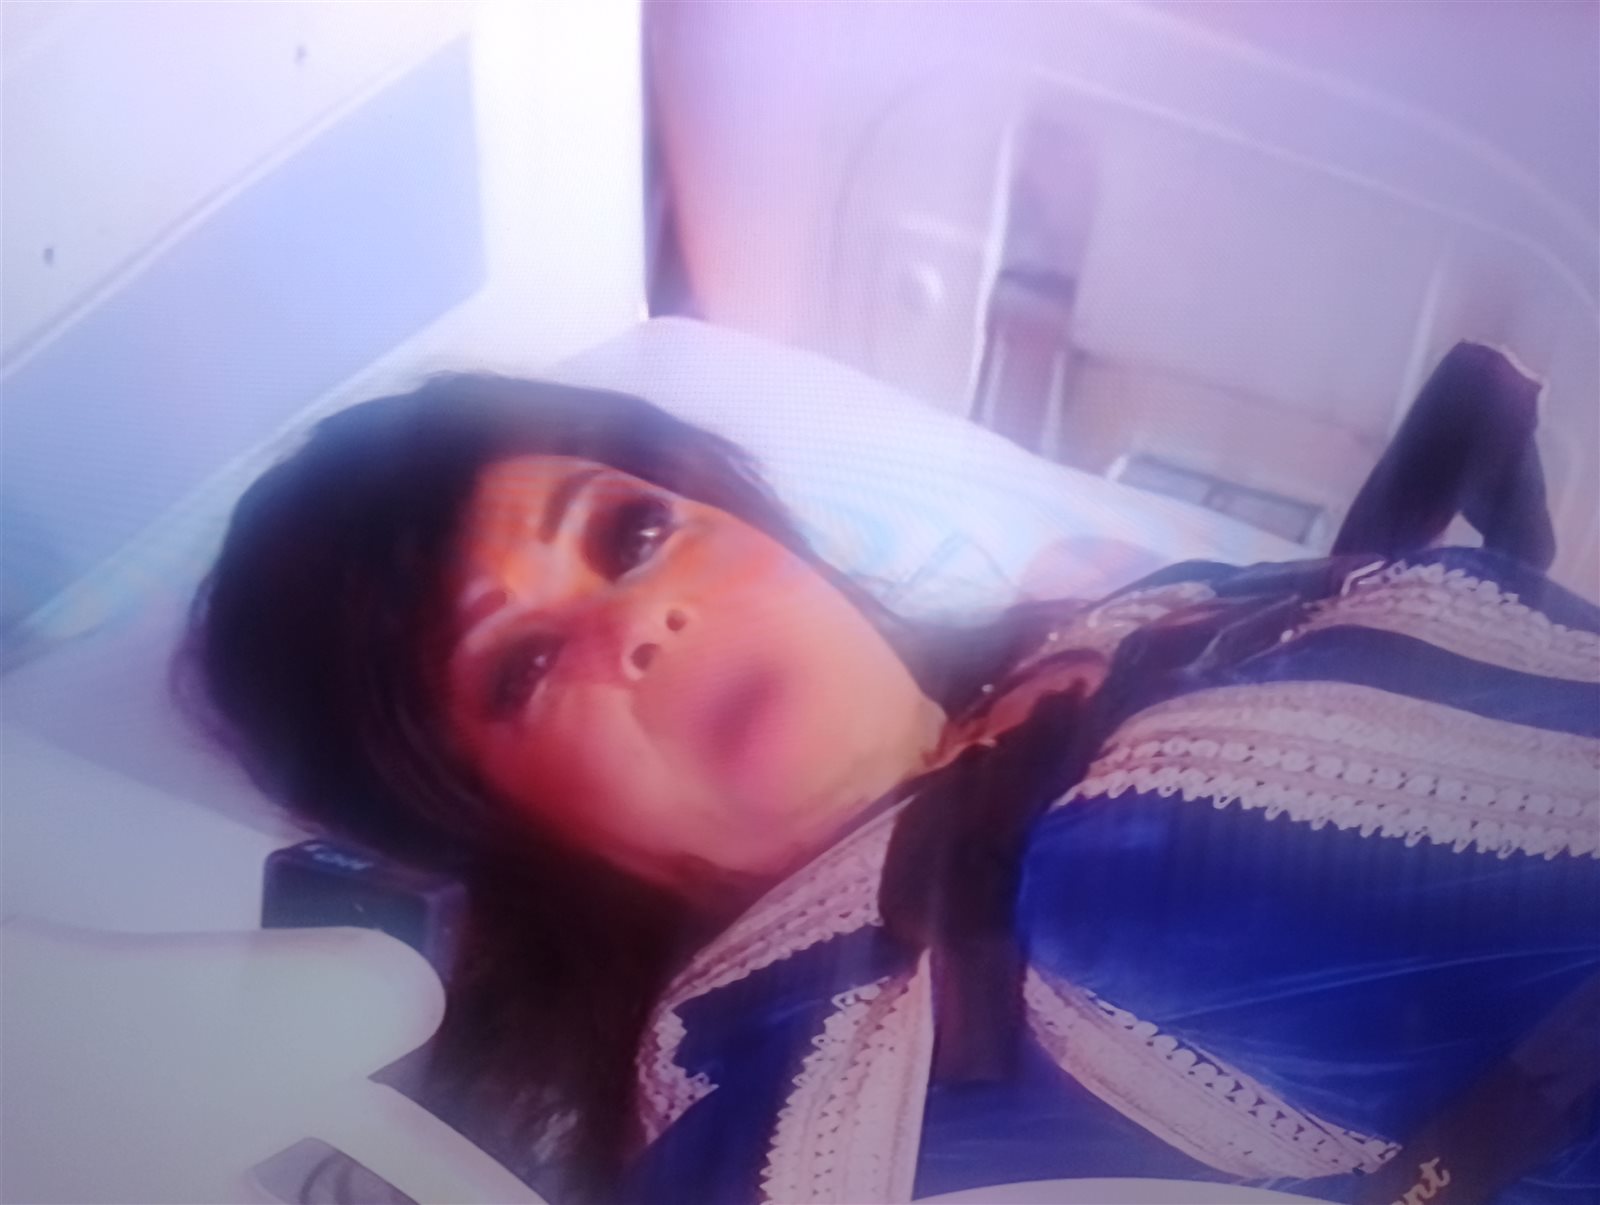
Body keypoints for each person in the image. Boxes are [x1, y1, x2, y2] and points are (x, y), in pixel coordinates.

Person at [184, 346, 1598, 1205]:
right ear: (509, 833)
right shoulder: (789, 1109)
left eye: (628, 537)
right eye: (524, 667)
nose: (637, 626)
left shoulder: (1094, 633)